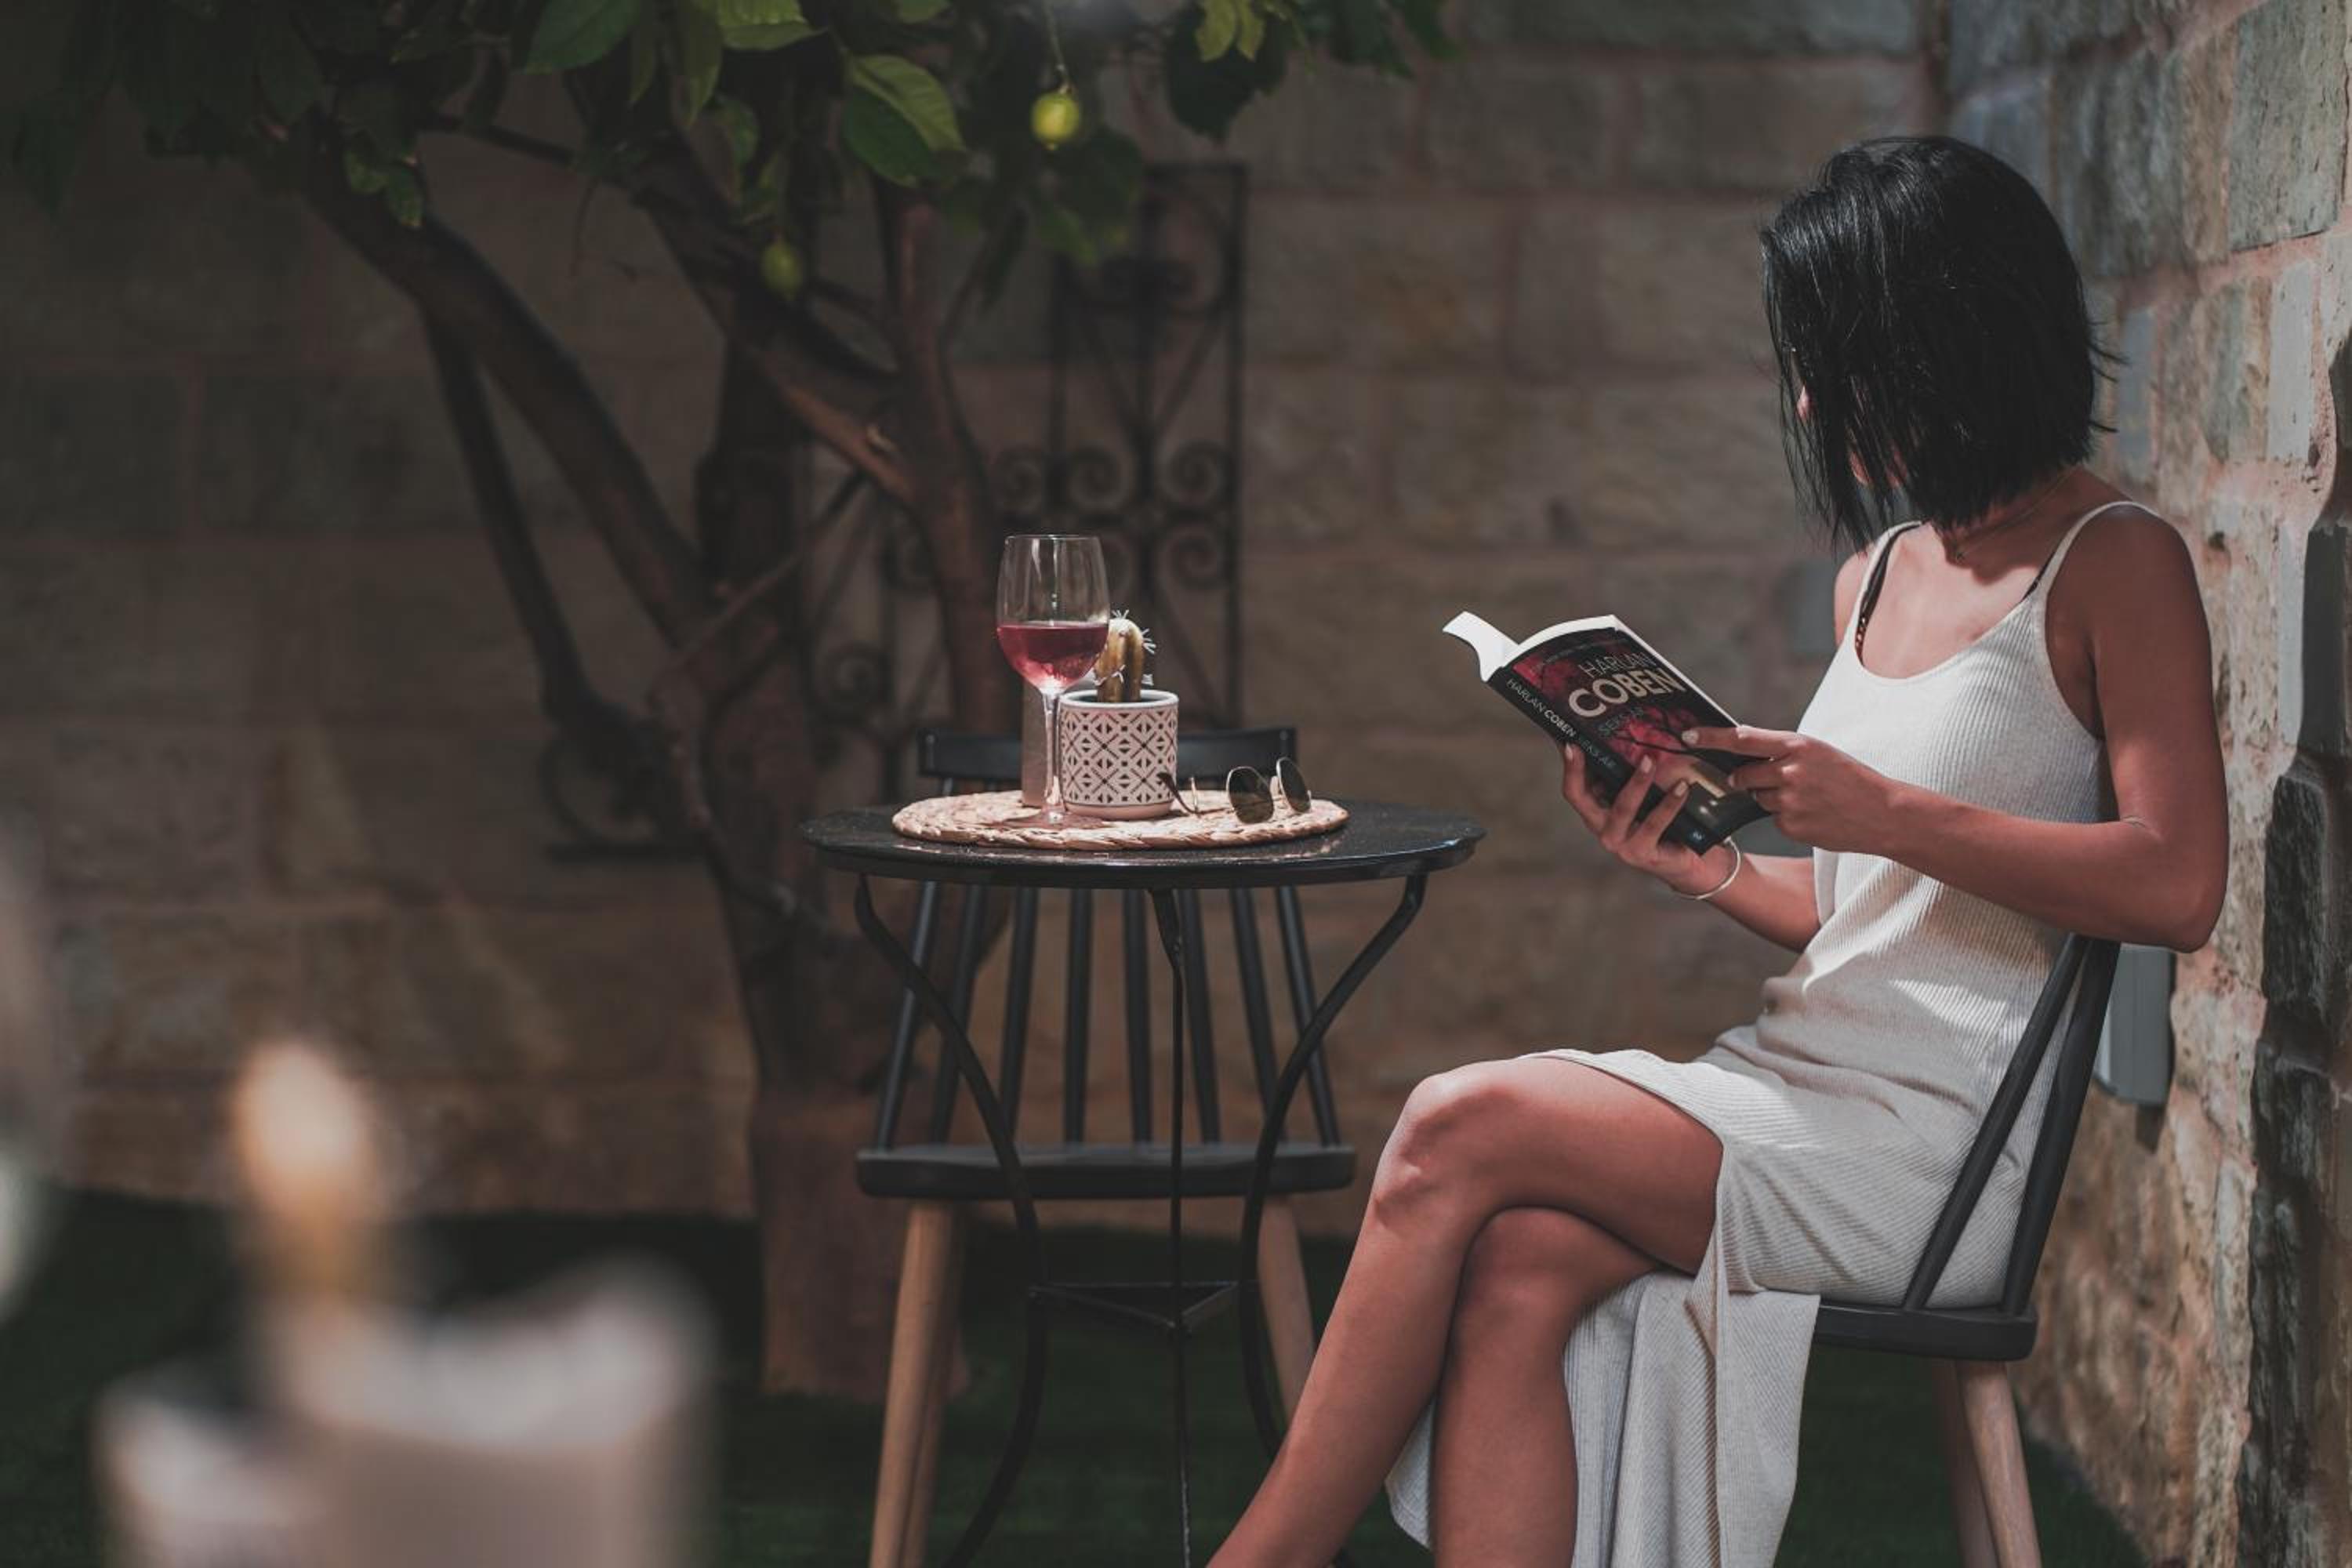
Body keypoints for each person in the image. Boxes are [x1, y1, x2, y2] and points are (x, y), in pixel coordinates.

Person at [1206, 135, 2229, 1567]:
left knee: (1452, 1123)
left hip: (1930, 1158)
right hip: (1795, 1083)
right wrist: (1714, 869)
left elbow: (2177, 883)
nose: (1808, 400)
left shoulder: (2117, 560)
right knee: (1517, 1264)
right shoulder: (1877, 571)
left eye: (1833, 359)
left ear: (1941, 336)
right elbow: (1878, 916)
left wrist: (1879, 810)